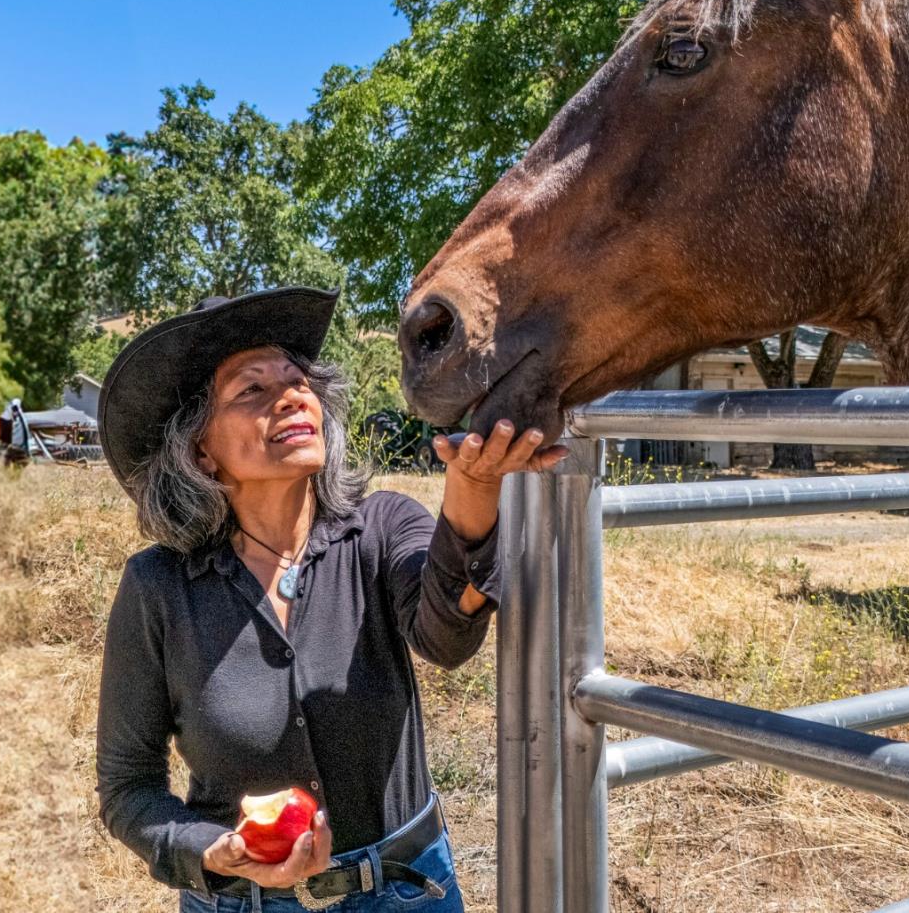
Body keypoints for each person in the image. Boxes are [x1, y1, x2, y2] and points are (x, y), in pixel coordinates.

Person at [93, 286, 566, 912]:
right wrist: (211, 851)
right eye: (251, 390)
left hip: (407, 892)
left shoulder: (381, 528)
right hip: (242, 903)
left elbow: (445, 637)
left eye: (297, 382)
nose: (291, 396)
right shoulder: (158, 589)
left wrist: (473, 489)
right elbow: (129, 787)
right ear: (202, 452)